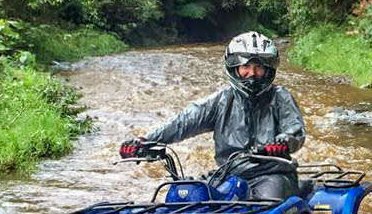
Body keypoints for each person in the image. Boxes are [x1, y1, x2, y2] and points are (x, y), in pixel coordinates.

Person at [119, 32, 307, 200]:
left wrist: (281, 142)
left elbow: (295, 131)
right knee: (186, 196)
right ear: (235, 68)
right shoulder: (221, 101)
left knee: (266, 205)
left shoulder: (280, 97)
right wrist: (144, 142)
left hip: (272, 174)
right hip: (228, 175)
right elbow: (183, 122)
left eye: (258, 67)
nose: (252, 74)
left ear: (268, 69)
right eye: (246, 67)